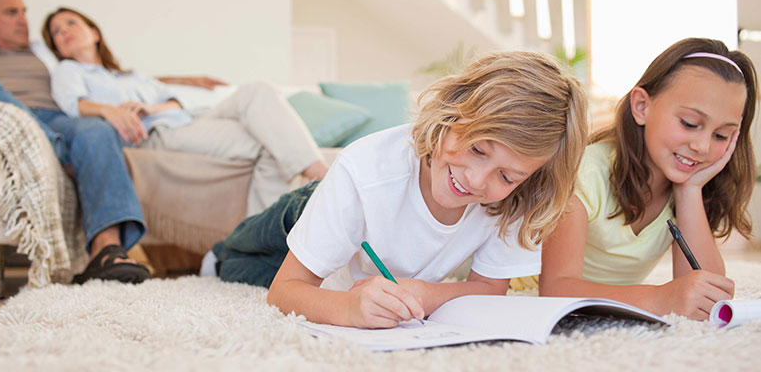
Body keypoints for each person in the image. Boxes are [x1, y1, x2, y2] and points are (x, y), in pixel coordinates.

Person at [206, 51, 589, 328]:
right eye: (476, 149)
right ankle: (218, 254)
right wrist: (348, 310)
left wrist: (425, 293)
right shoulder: (365, 170)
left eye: (506, 176)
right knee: (238, 264)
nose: (476, 180)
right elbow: (284, 292)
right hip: (300, 213)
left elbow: (489, 287)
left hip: (361, 262)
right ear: (451, 114)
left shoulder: (516, 198)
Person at [0, 0, 170, 283]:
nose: (24, 20)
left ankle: (106, 251)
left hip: (61, 121)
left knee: (96, 130)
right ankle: (54, 145)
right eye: (12, 12)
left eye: (24, 11)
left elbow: (108, 74)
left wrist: (185, 82)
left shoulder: (49, 51)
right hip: (13, 120)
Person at [538, 38, 757, 321]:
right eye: (689, 123)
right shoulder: (583, 174)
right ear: (641, 106)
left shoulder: (691, 185)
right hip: (520, 287)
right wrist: (660, 297)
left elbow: (709, 297)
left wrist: (689, 191)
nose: (702, 146)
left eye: (721, 136)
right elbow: (555, 289)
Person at [41, 7, 328, 215]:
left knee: (258, 90)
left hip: (185, 117)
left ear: (93, 33)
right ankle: (316, 187)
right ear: (56, 48)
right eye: (56, 31)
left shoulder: (130, 76)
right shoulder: (68, 71)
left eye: (70, 23)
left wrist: (151, 106)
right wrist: (110, 111)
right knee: (267, 144)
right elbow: (73, 104)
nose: (63, 31)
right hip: (160, 132)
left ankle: (315, 172)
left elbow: (173, 100)